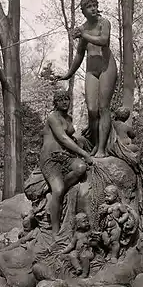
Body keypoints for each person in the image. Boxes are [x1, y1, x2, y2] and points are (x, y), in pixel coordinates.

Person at [57, 0, 117, 158]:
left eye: (94, 5)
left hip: (107, 68)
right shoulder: (83, 29)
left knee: (104, 107)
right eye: (89, 6)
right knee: (92, 109)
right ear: (82, 10)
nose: (93, 8)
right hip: (91, 71)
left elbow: (104, 40)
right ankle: (96, 144)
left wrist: (83, 35)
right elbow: (79, 54)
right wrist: (68, 74)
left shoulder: (103, 23)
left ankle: (102, 149)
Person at [39, 90, 93, 235]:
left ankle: (61, 187)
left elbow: (72, 138)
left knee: (81, 167)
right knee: (58, 190)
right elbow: (63, 138)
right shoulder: (52, 117)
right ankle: (55, 232)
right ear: (55, 102)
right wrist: (83, 153)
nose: (64, 102)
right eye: (61, 100)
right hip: (51, 158)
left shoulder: (69, 118)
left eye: (67, 99)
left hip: (66, 157)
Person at [61, 212, 99, 277]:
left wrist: (89, 243)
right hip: (78, 251)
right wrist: (64, 251)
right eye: (84, 221)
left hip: (88, 251)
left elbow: (96, 243)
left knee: (84, 257)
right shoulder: (76, 234)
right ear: (78, 225)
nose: (87, 222)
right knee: (72, 255)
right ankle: (78, 268)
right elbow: (72, 245)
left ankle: (85, 273)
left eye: (87, 221)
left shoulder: (89, 233)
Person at [99, 185, 130, 262]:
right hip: (105, 229)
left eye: (108, 196)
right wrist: (102, 212)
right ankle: (110, 252)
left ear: (115, 196)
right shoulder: (104, 205)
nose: (106, 197)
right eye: (105, 195)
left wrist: (122, 219)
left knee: (115, 242)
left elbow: (125, 213)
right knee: (106, 242)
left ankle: (114, 256)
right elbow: (99, 213)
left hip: (115, 228)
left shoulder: (118, 205)